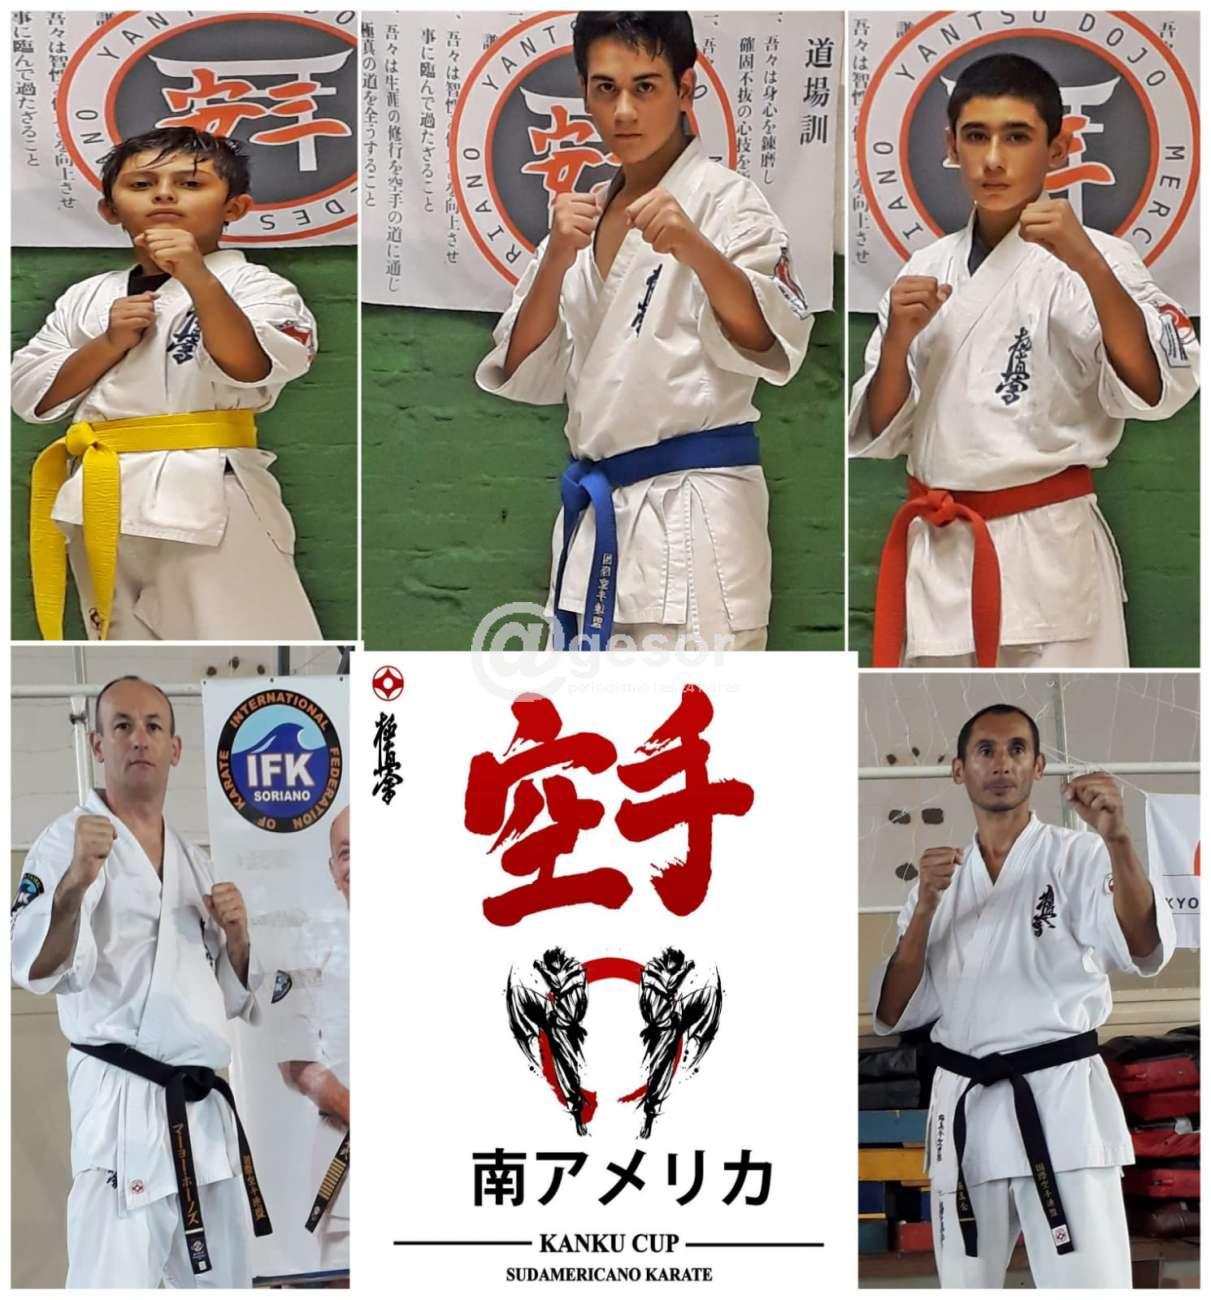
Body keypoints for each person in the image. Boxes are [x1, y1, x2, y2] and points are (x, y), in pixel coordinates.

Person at [476, 11, 813, 651]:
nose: (624, 111)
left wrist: (696, 248)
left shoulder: (728, 202)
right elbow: (522, 365)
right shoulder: (581, 218)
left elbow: (769, 341)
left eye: (646, 87)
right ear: (584, 93)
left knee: (696, 712)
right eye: (605, 88)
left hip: (695, 521)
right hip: (599, 517)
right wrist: (556, 258)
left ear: (685, 89)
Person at [849, 54, 1199, 668]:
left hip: (1048, 549)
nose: (992, 159)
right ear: (951, 146)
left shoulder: (1102, 259)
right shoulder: (924, 269)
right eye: (975, 136)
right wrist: (899, 340)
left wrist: (1086, 262)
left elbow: (1155, 388)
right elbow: (878, 430)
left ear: (1057, 149)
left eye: (1016, 137)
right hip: (941, 553)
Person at [872, 703, 1175, 1287]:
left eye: (1017, 749)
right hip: (966, 1112)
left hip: (1059, 1105)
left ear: (1037, 766)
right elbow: (893, 1012)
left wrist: (1119, 838)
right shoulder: (939, 879)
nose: (1001, 763)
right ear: (959, 769)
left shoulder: (1079, 855)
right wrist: (925, 909)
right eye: (985, 750)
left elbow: (1143, 947)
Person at [12, 126, 322, 642]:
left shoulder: (257, 286)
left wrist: (197, 277)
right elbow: (29, 394)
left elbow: (253, 366)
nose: (163, 195)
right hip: (99, 497)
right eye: (141, 184)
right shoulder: (86, 297)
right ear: (109, 210)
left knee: (246, 651)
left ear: (235, 208)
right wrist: (109, 342)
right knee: (131, 656)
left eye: (190, 184)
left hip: (207, 495)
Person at [11, 676, 270, 1288]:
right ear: (97, 745)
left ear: (175, 749)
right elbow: (35, 967)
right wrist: (73, 885)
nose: (139, 739)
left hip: (201, 1109)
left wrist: (238, 940)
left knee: (223, 1283)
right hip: (121, 1103)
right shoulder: (65, 841)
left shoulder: (194, 861)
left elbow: (227, 997)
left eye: (154, 726)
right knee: (113, 1280)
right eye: (122, 725)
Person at [277, 806, 350, 1276]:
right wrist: (352, 1106)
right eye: (345, 853)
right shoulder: (308, 944)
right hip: (345, 1154)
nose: (356, 864)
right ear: (332, 869)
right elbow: (292, 1058)